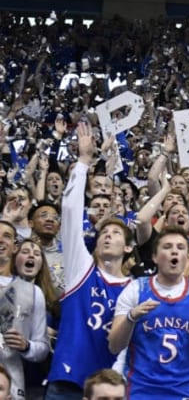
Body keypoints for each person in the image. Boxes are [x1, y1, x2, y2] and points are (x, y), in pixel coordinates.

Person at [46, 122, 133, 400]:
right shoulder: (81, 270)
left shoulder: (137, 288)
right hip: (67, 384)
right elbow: (70, 212)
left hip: (110, 389)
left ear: (129, 248)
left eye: (115, 233)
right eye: (103, 233)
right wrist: (84, 161)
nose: (107, 236)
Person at [108, 227, 189, 399]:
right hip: (140, 389)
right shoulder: (135, 289)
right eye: (167, 247)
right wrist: (131, 317)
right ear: (154, 257)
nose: (174, 251)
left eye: (180, 247)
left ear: (186, 257)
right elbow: (114, 346)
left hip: (182, 390)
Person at [0, 221, 50, 400]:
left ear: (14, 247)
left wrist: (26, 346)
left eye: (6, 236)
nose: (1, 240)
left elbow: (42, 347)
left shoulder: (32, 292)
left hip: (12, 385)